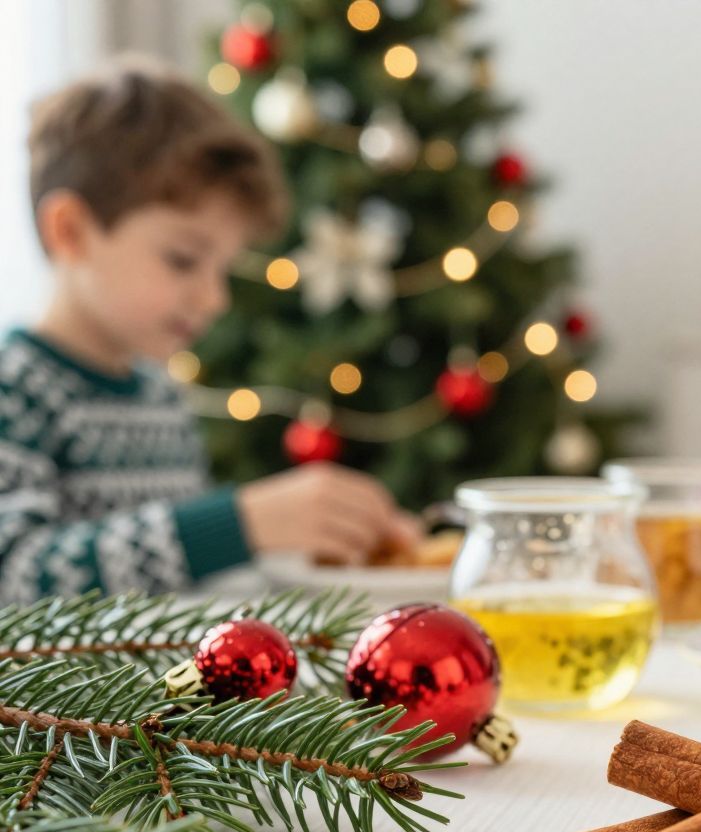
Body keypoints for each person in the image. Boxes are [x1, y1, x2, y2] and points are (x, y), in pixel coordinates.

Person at [0, 58, 415, 601]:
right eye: (183, 259)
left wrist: (314, 536)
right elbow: (13, 573)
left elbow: (181, 580)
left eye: (223, 268)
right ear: (71, 231)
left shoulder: (160, 395)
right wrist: (237, 524)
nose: (214, 298)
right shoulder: (16, 387)